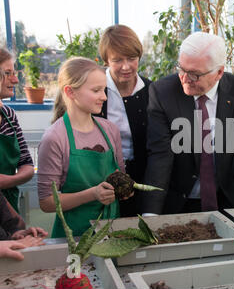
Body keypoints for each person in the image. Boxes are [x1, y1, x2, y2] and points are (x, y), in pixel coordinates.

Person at [140, 31, 234, 215]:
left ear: (219, 72)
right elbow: (160, 156)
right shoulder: (163, 93)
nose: (184, 78)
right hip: (179, 201)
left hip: (228, 198)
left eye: (194, 74)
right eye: (181, 69)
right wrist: (151, 214)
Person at [38, 57, 126, 238]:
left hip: (112, 232)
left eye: (104, 89)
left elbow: (120, 176)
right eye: (96, 90)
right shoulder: (55, 138)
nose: (104, 97)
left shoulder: (110, 130)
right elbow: (47, 202)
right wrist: (93, 194)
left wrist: (124, 188)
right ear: (70, 92)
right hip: (74, 237)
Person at [96, 24, 152, 217]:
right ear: (106, 60)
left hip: (143, 180)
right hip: (100, 181)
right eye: (117, 60)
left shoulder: (152, 91)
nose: (126, 66)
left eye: (132, 58)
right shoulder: (95, 90)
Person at [0, 48, 34, 213]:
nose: (15, 80)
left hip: (9, 208)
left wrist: (8, 181)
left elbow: (26, 164)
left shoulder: (8, 115)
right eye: (8, 73)